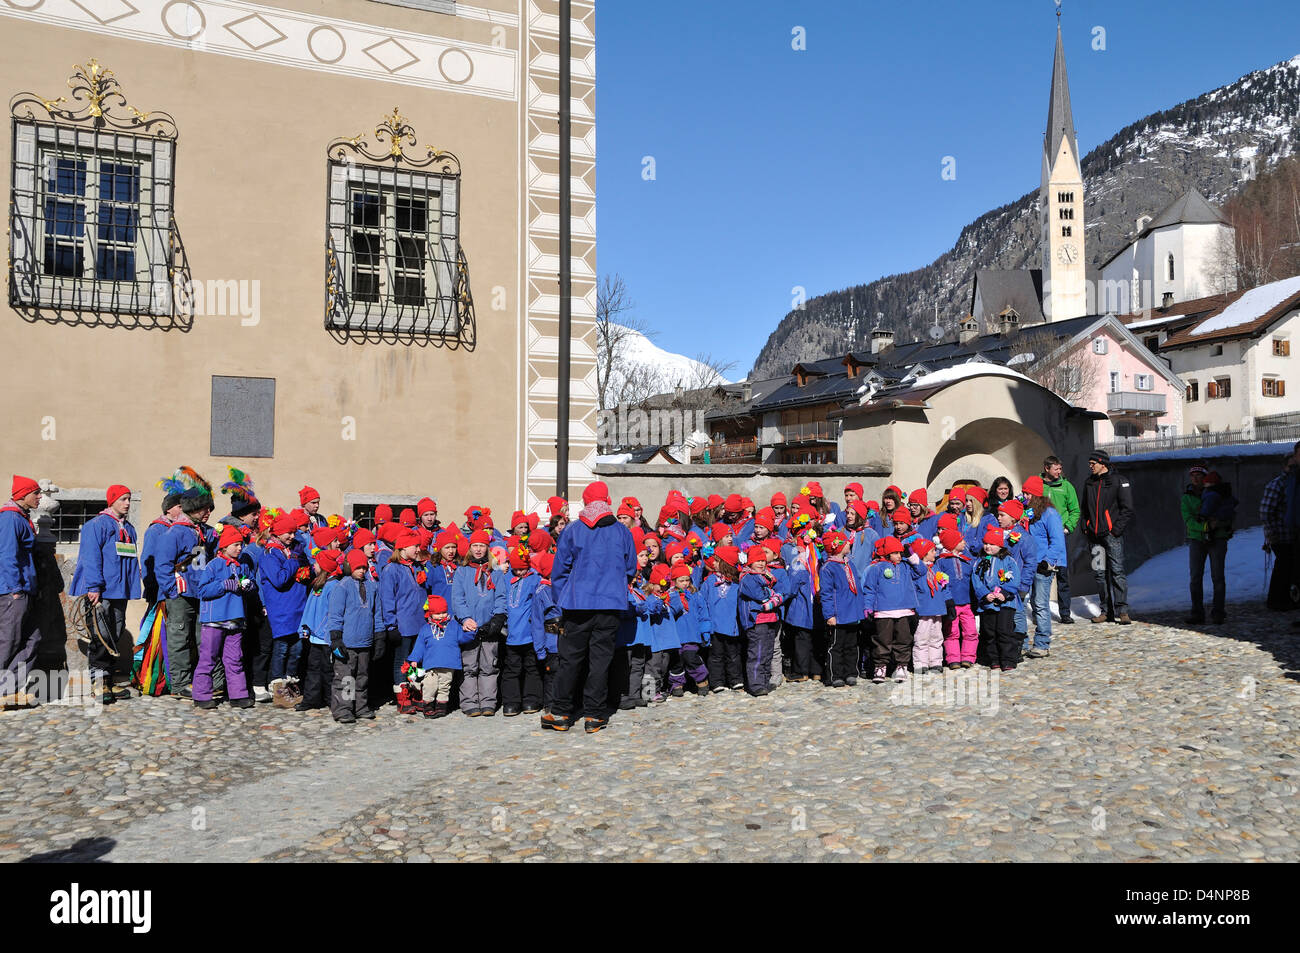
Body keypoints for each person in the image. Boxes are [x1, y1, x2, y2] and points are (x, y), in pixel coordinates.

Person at [546, 481, 637, 733]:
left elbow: (560, 570)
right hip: (609, 605)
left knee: (570, 660)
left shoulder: (573, 530)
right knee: (600, 661)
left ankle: (561, 712)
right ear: (607, 501)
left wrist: (560, 599)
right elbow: (630, 568)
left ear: (585, 502)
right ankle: (594, 715)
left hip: (577, 604)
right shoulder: (622, 531)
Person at [69, 485, 139, 704]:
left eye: (129, 499)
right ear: (112, 501)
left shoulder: (129, 528)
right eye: (123, 499)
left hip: (120, 590)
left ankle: (108, 678)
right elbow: (90, 557)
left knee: (115, 632)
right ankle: (98, 682)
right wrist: (93, 587)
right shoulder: (96, 525)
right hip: (101, 591)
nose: (127, 503)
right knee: (101, 635)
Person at [187, 525, 257, 710]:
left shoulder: (242, 565)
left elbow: (252, 584)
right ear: (224, 547)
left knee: (235, 658)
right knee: (208, 658)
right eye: (235, 545)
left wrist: (249, 586)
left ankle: (238, 694)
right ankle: (202, 695)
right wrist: (224, 585)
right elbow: (203, 590)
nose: (240, 548)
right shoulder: (213, 566)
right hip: (214, 621)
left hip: (236, 620)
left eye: (241, 545)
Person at [327, 548, 382, 724]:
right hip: (347, 643)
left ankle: (360, 706)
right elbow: (335, 615)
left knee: (362, 676)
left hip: (365, 641)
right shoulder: (342, 587)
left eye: (364, 568)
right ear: (349, 567)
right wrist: (336, 638)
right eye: (358, 568)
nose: (362, 571)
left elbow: (377, 613)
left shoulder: (372, 587)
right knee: (345, 678)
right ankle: (344, 708)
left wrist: (379, 636)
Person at [0, 476, 42, 708]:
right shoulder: (9, 518)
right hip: (12, 591)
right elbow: (6, 555)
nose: (39, 497)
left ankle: (8, 690)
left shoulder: (21, 517)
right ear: (23, 494)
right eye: (35, 493)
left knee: (32, 639)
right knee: (8, 641)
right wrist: (15, 589)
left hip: (26, 590)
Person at [1081, 450, 1134, 625]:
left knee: (1117, 572)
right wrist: (1086, 527)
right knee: (1099, 574)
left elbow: (1127, 509)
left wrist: (1115, 530)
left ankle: (1122, 611)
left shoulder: (1119, 481)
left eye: (1093, 463)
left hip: (1112, 537)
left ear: (1102, 463)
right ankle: (1106, 611)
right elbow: (1084, 509)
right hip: (1094, 538)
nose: (1090, 466)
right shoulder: (1089, 483)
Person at [1021, 479, 1066, 658]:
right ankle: (1022, 642)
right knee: (1024, 603)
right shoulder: (1027, 513)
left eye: (1028, 493)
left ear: (1037, 495)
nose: (1025, 496)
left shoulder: (1049, 514)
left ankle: (1042, 643)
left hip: (1042, 566)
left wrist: (1048, 560)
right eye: (1024, 493)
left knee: (1040, 604)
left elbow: (1057, 540)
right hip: (1027, 564)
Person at [973, 528, 1021, 672]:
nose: (988, 547)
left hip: (1006, 603)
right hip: (988, 603)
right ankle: (993, 659)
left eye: (992, 544)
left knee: (1004, 631)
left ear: (1000, 545)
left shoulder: (1008, 561)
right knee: (990, 632)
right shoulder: (980, 562)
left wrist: (1005, 593)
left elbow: (1015, 579)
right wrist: (984, 594)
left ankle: (1008, 660)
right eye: (986, 544)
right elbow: (976, 579)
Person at [1040, 456, 1080, 623]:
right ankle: (1040, 613)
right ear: (1047, 468)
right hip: (1042, 537)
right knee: (1042, 574)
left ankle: (1065, 613)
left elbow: (1075, 510)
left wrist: (1068, 527)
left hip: (1060, 536)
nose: (1059, 472)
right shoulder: (1038, 485)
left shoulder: (1066, 486)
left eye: (1059, 469)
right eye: (1055, 469)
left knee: (1062, 575)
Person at [1193, 471, 1236, 625]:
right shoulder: (1225, 494)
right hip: (1215, 538)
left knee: (1213, 577)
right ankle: (1217, 612)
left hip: (1214, 538)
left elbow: (1203, 512)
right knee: (1216, 577)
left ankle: (1211, 612)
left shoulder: (1210, 495)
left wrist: (1203, 520)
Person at [1259, 452, 1296, 612]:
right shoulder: (1277, 484)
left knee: (1290, 567)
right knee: (1283, 567)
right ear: (1285, 467)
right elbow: (1266, 511)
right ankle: (1276, 600)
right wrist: (1271, 533)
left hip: (1292, 534)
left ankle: (1286, 599)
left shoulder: (1293, 483)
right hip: (1280, 535)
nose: (1293, 469)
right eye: (1291, 466)